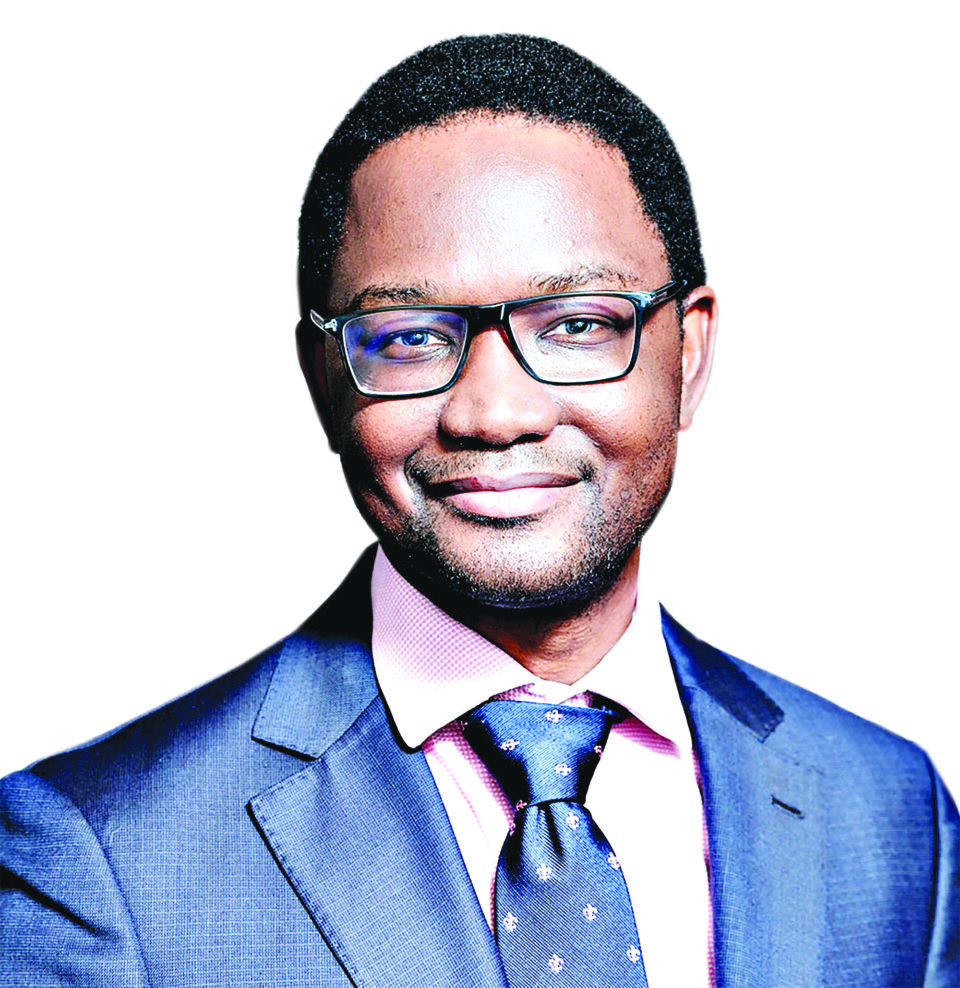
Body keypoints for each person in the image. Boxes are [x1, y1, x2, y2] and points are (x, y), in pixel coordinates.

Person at [1, 33, 956, 988]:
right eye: (409, 338)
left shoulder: (891, 813)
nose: (495, 413)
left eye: (577, 323)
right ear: (323, 379)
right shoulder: (97, 863)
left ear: (690, 354)